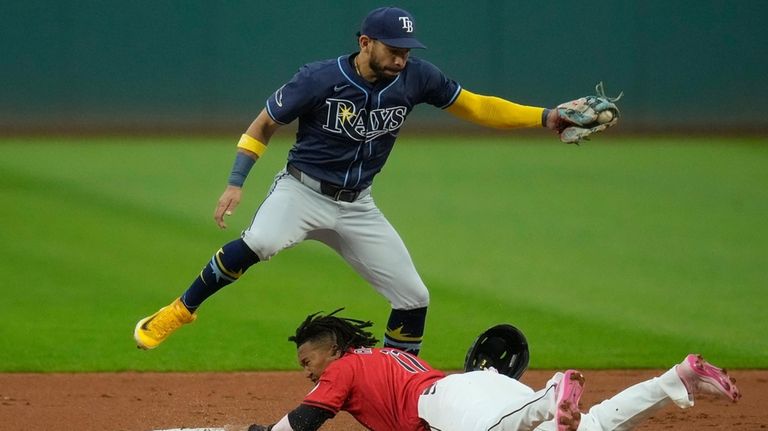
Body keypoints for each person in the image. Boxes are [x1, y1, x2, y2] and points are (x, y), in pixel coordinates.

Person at [134, 6, 599, 354]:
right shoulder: (318, 79)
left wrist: (546, 117)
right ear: (365, 42)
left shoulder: (418, 78)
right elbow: (263, 126)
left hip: (357, 205)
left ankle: (394, 382)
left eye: (406, 52)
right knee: (259, 241)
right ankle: (181, 310)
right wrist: (236, 181)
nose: (401, 59)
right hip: (301, 191)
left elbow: (477, 106)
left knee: (413, 297)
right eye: (393, 50)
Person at [230, 310, 740, 431]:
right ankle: (676, 378)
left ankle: (548, 396)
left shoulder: (344, 368)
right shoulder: (387, 358)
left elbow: (299, 425)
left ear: (334, 347)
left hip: (451, 401)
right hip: (471, 388)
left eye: (307, 360)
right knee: (593, 426)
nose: (307, 371)